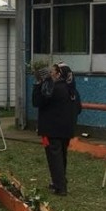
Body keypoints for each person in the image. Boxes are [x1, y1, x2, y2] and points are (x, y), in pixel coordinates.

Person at [32, 63, 77, 196]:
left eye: (53, 72)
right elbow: (78, 108)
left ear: (58, 74)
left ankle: (60, 186)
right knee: (62, 156)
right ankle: (60, 181)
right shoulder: (72, 89)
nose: (50, 74)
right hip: (67, 129)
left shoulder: (51, 89)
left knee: (54, 158)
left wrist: (38, 83)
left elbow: (37, 102)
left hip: (51, 129)